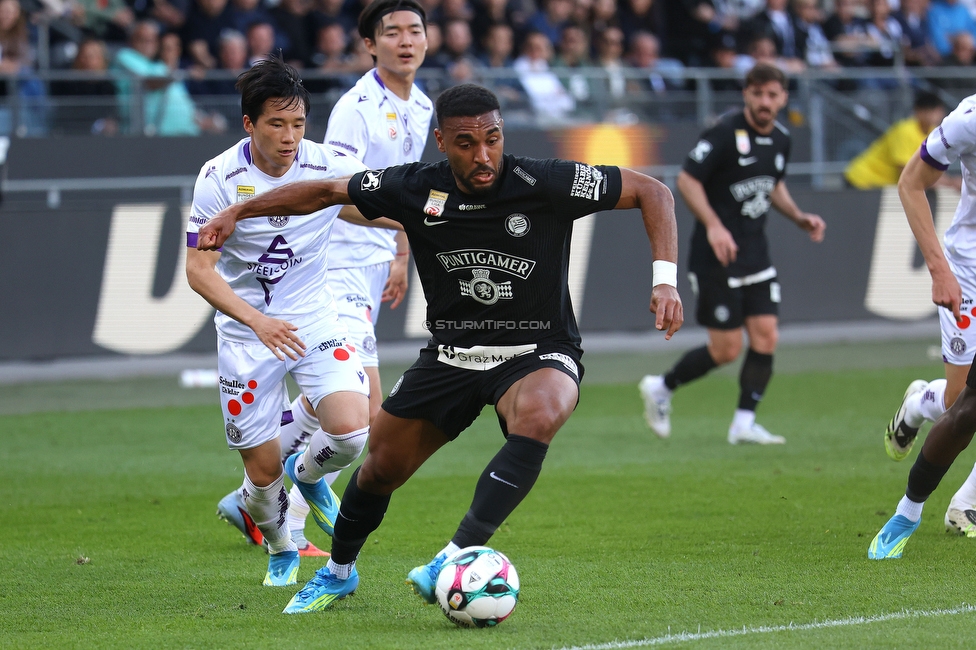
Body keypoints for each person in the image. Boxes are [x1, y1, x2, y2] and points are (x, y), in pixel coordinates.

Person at [196, 82, 683, 614]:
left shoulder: (544, 181)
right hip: (451, 355)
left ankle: (449, 559)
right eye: (466, 143)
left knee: (541, 413)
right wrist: (238, 213)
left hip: (536, 348)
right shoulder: (414, 186)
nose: (483, 155)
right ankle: (338, 573)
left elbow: (653, 191)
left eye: (492, 139)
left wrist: (665, 281)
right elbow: (325, 193)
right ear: (442, 142)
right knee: (378, 468)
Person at [217, 0, 431, 559]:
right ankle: (289, 508)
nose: (406, 41)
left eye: (415, 30)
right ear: (370, 45)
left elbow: (393, 192)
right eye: (392, 32)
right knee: (366, 412)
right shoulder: (356, 109)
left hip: (373, 262)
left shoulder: (422, 104)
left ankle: (254, 498)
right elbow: (335, 193)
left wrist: (402, 249)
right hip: (334, 266)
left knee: (334, 406)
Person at [185, 56, 373, 586]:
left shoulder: (328, 164)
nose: (290, 137)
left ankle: (309, 477)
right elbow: (199, 269)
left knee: (352, 430)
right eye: (276, 124)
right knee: (262, 476)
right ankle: (279, 547)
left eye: (298, 123)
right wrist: (257, 322)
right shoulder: (218, 178)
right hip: (247, 336)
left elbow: (371, 205)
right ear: (249, 123)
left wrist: (423, 219)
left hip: (315, 317)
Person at [639, 63, 825, 445]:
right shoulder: (724, 132)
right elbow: (687, 180)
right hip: (716, 257)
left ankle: (743, 423)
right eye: (758, 94)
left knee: (766, 336)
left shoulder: (781, 139)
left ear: (783, 98)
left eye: (772, 95)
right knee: (726, 349)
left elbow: (773, 185)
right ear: (746, 95)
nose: (764, 102)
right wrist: (714, 225)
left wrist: (798, 217)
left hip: (755, 254)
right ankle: (661, 387)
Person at [872, 93, 976, 555]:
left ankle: (965, 504)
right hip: (968, 270)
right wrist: (939, 269)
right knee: (960, 404)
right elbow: (911, 182)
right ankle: (918, 405)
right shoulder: (970, 118)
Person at [844, 91, 946, 190]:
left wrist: (947, 182)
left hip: (880, 185)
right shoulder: (904, 130)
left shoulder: (933, 133)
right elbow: (904, 171)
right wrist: (942, 183)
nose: (936, 115)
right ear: (919, 111)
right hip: (862, 180)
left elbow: (932, 168)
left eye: (938, 111)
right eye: (932, 111)